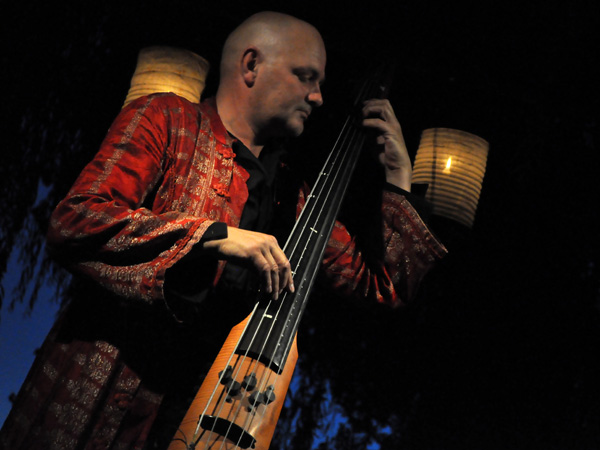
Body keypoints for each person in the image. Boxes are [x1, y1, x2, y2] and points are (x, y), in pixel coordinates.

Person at [0, 11, 446, 450]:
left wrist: (397, 177)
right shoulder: (165, 118)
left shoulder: (293, 195)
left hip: (199, 423)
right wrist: (217, 237)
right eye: (305, 77)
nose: (317, 98)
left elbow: (381, 288)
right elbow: (76, 220)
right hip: (100, 401)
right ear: (251, 65)